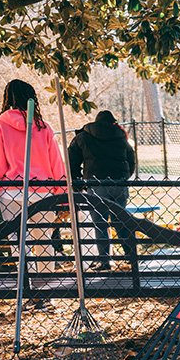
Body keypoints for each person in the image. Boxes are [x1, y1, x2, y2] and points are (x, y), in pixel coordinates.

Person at [0, 79, 67, 311]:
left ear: (8, 98)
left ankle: (30, 292)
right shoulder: (43, 127)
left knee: (20, 245)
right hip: (43, 194)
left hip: (12, 194)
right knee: (43, 243)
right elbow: (56, 164)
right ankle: (45, 294)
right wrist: (63, 193)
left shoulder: (0, 125)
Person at [67, 109, 137, 271]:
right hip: (119, 185)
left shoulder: (84, 136)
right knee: (121, 221)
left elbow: (72, 159)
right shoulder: (121, 137)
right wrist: (124, 177)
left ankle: (105, 261)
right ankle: (131, 257)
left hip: (96, 184)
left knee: (100, 224)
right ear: (113, 122)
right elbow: (131, 160)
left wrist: (78, 181)